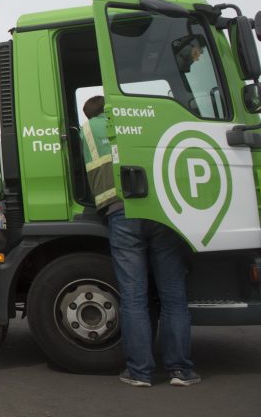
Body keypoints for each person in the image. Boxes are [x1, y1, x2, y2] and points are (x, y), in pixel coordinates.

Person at [79, 95, 200, 387]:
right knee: (173, 296)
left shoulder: (88, 130)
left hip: (120, 212)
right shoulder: (140, 118)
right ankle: (180, 370)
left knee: (133, 297)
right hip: (160, 212)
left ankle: (140, 372)